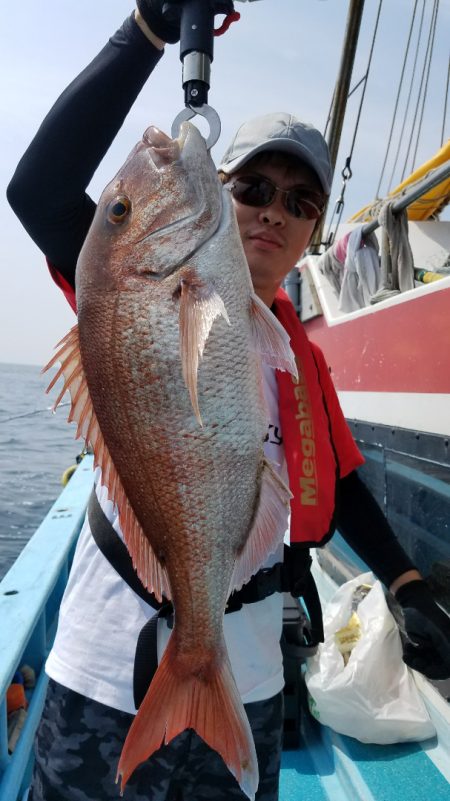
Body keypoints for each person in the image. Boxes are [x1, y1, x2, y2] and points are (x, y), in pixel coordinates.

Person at [7, 4, 450, 801]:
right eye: (252, 186)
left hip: (244, 682)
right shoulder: (130, 288)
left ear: (314, 227)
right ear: (218, 187)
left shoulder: (300, 352)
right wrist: (146, 28)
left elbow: (341, 482)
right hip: (108, 675)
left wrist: (407, 582)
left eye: (300, 200)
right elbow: (36, 188)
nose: (274, 209)